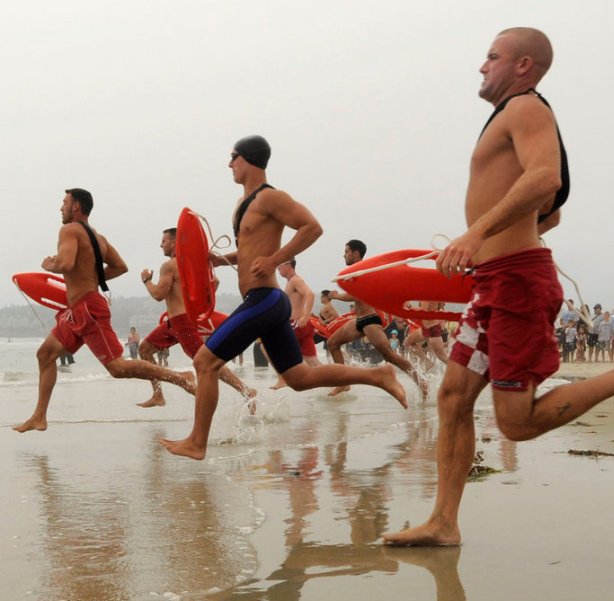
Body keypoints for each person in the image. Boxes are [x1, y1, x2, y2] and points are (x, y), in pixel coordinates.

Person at [383, 27, 614, 546]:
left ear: (523, 65)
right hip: (495, 282)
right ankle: (444, 522)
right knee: (452, 398)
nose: (481, 66)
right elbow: (552, 212)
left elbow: (545, 178)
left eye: (491, 57)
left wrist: (477, 233)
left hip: (516, 283)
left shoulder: (527, 108)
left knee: (515, 423)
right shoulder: (507, 118)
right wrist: (489, 242)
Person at [161, 136, 406, 460]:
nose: (229, 164)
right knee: (299, 378)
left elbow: (312, 227)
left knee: (205, 361)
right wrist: (223, 259)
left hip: (264, 298)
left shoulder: (270, 198)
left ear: (247, 160)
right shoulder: (242, 206)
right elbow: (251, 251)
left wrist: (275, 259)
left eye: (232, 157)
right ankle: (377, 375)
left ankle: (197, 442)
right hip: (267, 301)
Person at [13, 189, 196, 434]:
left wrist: (51, 264)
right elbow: (120, 267)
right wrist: (90, 277)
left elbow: (65, 263)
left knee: (118, 368)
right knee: (45, 355)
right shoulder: (99, 239)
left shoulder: (68, 230)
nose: (61, 207)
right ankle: (39, 416)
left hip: (88, 308)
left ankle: (181, 377)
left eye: (64, 203)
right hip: (77, 309)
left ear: (76, 206)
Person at [136, 227, 256, 409]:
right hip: (173, 322)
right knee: (144, 349)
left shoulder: (168, 266)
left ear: (174, 242)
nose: (161, 245)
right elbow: (214, 284)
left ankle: (245, 389)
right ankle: (158, 394)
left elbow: (159, 294)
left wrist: (147, 281)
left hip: (181, 321)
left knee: (206, 361)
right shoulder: (191, 264)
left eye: (164, 241)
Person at [325, 240, 428, 397]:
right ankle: (344, 383)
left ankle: (421, 382)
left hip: (370, 320)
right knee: (332, 344)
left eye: (346, 251)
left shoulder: (364, 270)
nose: (344, 254)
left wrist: (336, 296)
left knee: (389, 356)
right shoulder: (355, 271)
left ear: (356, 253)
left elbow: (357, 295)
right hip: (358, 320)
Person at [270, 258, 320, 389]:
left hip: (297, 324)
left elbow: (310, 294)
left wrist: (306, 315)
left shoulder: (295, 280)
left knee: (266, 345)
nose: (277, 269)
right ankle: (339, 382)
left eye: (279, 265)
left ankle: (282, 378)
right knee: (313, 362)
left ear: (288, 265)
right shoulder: (291, 281)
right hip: (303, 325)